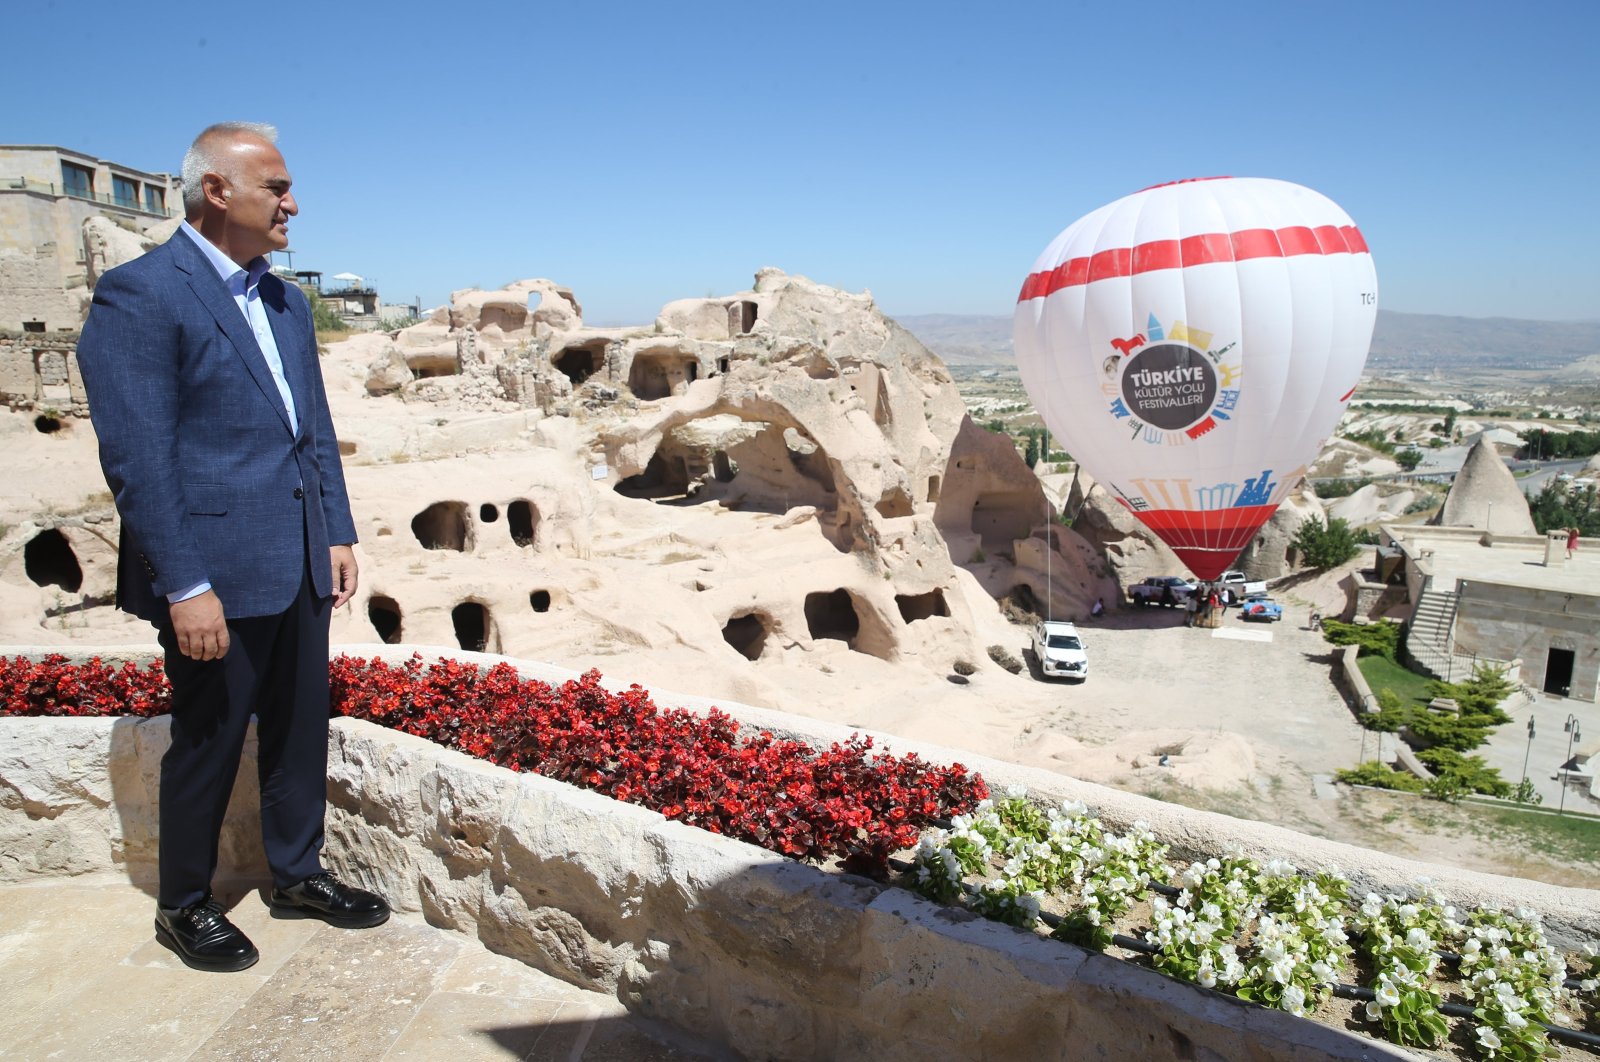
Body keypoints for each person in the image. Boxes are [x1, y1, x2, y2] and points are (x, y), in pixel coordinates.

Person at [76, 122, 389, 973]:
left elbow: (311, 431)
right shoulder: (143, 294)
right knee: (210, 736)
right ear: (218, 191)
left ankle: (296, 875)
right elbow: (140, 460)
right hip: (213, 571)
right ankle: (184, 904)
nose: (294, 204)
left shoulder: (283, 301)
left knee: (298, 726)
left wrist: (334, 530)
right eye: (277, 188)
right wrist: (184, 585)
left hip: (296, 559)